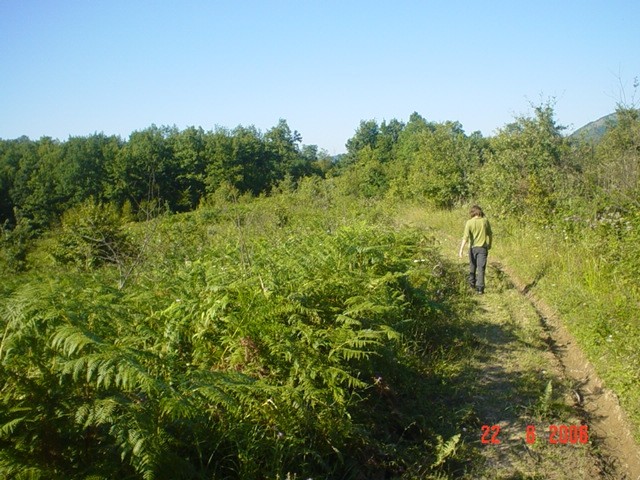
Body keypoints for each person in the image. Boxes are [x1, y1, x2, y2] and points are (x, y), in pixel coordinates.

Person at [458, 205, 492, 294]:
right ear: (480, 212)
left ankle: (471, 284)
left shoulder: (469, 222)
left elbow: (465, 237)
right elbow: (490, 234)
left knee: (472, 266)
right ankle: (480, 288)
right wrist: (489, 244)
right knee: (481, 268)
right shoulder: (485, 221)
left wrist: (461, 250)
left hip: (472, 248)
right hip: (482, 248)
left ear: (472, 213)